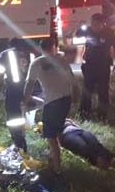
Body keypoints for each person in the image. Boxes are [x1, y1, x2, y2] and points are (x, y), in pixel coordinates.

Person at [23, 39, 78, 174]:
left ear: (41, 48)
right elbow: (74, 82)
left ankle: (57, 168)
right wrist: (75, 100)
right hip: (65, 99)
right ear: (54, 47)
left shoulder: (37, 63)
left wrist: (25, 102)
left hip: (53, 102)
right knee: (57, 131)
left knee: (50, 136)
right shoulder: (61, 60)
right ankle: (55, 158)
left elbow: (29, 84)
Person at [0, 38, 36, 151]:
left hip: (14, 90)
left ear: (10, 45)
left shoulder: (5, 54)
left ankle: (20, 144)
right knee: (26, 115)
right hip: (31, 90)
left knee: (14, 119)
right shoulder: (29, 54)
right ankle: (26, 135)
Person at [79, 13, 115, 120]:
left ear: (102, 23)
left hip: (103, 66)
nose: (93, 26)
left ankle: (102, 115)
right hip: (90, 65)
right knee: (87, 90)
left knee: (103, 91)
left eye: (96, 23)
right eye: (92, 23)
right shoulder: (88, 30)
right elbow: (82, 39)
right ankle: (84, 112)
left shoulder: (109, 32)